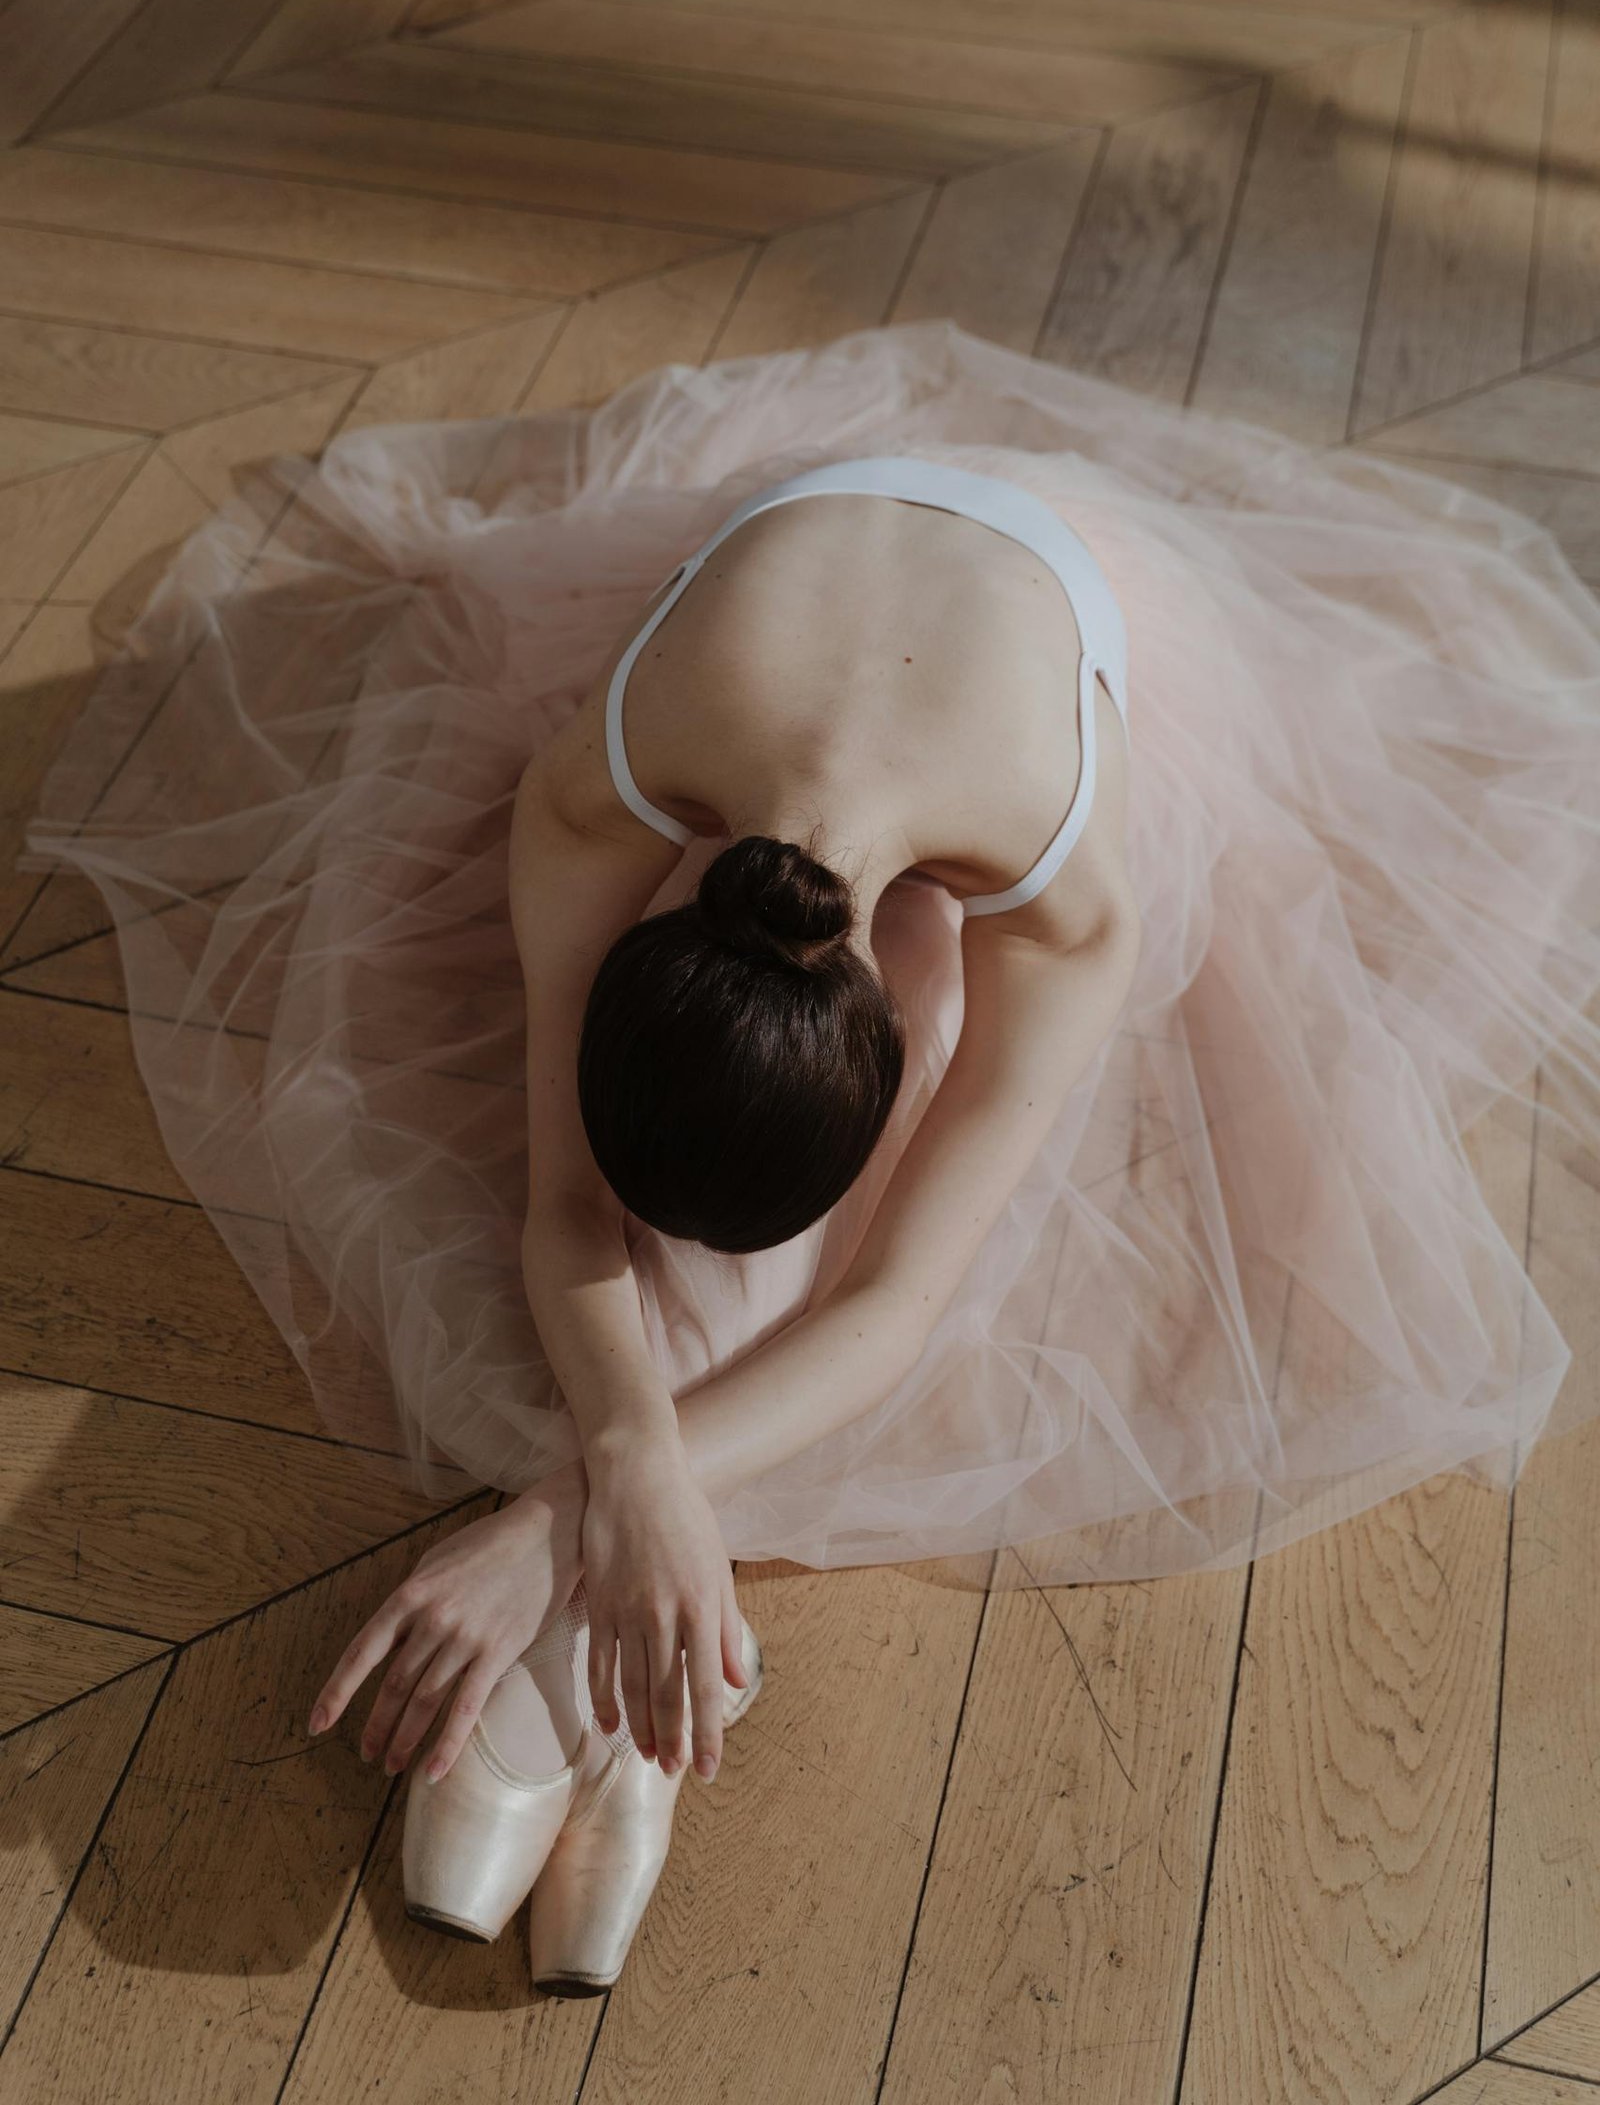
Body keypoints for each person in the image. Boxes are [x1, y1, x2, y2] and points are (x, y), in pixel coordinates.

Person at [23, 319, 1600, 1993]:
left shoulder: (1066, 897)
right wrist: (624, 1489)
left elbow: (905, 1297)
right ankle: (640, 1707)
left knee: (930, 969)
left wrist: (556, 1512)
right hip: (782, 626)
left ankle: (587, 1692)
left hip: (1041, 618)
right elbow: (569, 1201)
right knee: (693, 1136)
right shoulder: (591, 808)